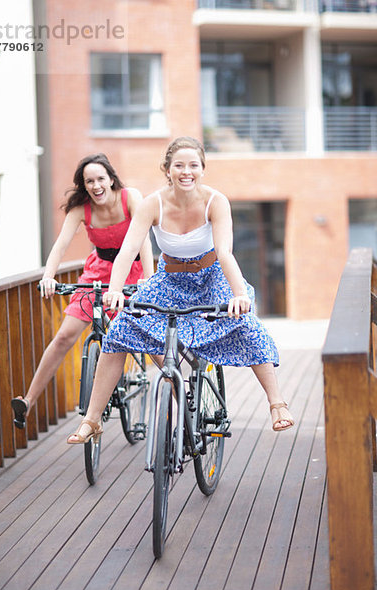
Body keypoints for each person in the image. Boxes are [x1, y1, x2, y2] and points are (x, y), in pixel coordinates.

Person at [66, 137, 293, 444]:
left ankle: (276, 403)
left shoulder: (216, 201)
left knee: (246, 325)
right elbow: (128, 249)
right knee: (119, 330)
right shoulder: (152, 204)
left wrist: (239, 294)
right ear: (167, 169)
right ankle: (92, 420)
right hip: (169, 280)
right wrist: (116, 290)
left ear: (203, 168)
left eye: (194, 166)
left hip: (212, 276)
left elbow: (225, 253)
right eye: (179, 166)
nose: (187, 172)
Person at [11, 153, 154, 429]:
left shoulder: (131, 198)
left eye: (100, 178)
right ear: (84, 185)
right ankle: (28, 401)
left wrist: (149, 280)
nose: (95, 185)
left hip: (132, 273)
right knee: (64, 336)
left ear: (111, 179)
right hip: (97, 274)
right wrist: (49, 276)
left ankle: (182, 397)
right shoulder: (81, 208)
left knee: (142, 340)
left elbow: (144, 242)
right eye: (89, 181)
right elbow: (61, 244)